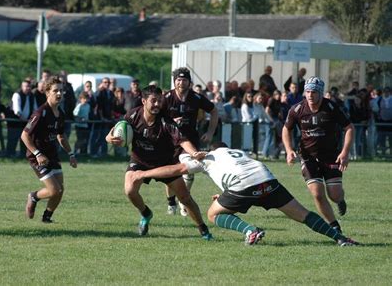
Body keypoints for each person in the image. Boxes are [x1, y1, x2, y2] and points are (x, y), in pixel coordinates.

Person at [129, 142, 359, 246]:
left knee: (212, 215)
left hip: (244, 185)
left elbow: (176, 169)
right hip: (267, 179)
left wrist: (144, 173)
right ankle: (340, 238)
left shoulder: (208, 156)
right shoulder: (235, 151)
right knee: (302, 214)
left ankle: (251, 231)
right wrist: (225, 196)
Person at [105, 85, 212, 240]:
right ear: (143, 101)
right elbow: (115, 129)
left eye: (159, 101)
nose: (157, 104)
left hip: (164, 163)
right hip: (139, 161)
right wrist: (109, 138)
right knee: (130, 190)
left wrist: (194, 153)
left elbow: (182, 140)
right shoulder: (133, 115)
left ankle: (203, 230)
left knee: (185, 198)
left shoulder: (165, 120)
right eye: (153, 101)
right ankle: (146, 214)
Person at [282, 76, 354, 233]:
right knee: (317, 193)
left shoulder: (331, 108)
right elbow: (286, 128)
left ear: (321, 93)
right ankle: (335, 226)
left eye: (313, 92)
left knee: (334, 195)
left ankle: (340, 200)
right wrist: (289, 150)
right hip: (308, 157)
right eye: (307, 92)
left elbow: (349, 128)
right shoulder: (297, 109)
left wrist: (345, 153)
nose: (310, 95)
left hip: (331, 156)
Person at [162, 67, 218, 216]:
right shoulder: (166, 97)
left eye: (184, 80)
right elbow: (156, 117)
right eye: (178, 80)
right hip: (170, 141)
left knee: (189, 173)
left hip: (190, 140)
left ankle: (183, 201)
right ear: (174, 82)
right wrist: (171, 121)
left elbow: (214, 111)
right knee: (171, 174)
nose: (181, 82)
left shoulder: (196, 98)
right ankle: (171, 202)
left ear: (189, 82)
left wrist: (210, 132)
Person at [22, 77, 78, 223]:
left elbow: (61, 136)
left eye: (61, 90)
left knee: (60, 189)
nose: (59, 93)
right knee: (54, 190)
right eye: (55, 91)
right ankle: (33, 197)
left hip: (52, 155)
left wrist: (71, 154)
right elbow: (24, 135)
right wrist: (37, 153)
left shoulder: (60, 114)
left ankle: (47, 217)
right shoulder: (41, 113)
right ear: (47, 93)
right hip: (38, 157)